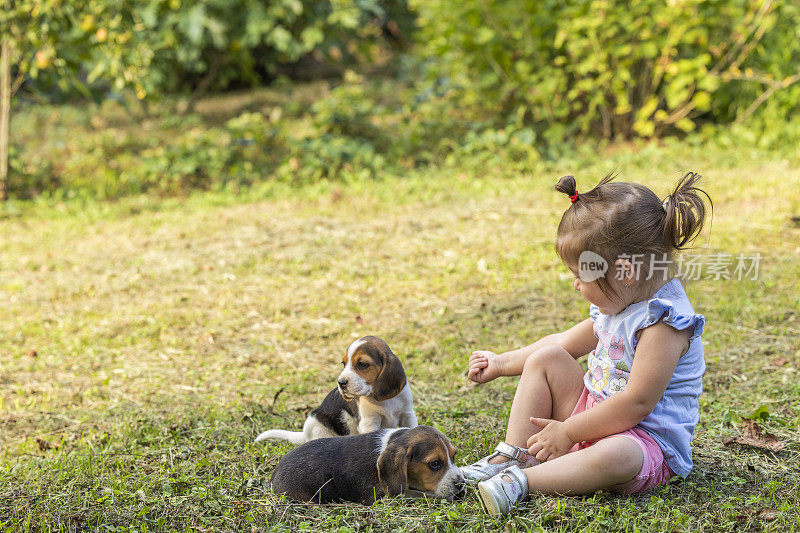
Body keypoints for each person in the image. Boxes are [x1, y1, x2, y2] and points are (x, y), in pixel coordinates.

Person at [461, 172, 712, 516]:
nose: (575, 285)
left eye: (581, 275)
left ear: (625, 272)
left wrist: (568, 431)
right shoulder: (617, 304)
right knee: (548, 358)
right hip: (591, 416)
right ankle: (513, 456)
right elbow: (563, 343)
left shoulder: (663, 323)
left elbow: (636, 403)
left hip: (642, 442)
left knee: (617, 454)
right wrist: (501, 363)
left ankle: (523, 481)